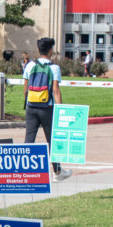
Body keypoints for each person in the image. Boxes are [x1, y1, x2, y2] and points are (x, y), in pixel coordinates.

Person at [22, 37, 70, 181]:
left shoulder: (29, 65)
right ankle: (57, 171)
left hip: (31, 106)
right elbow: (55, 90)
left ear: (38, 50)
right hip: (47, 108)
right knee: (52, 140)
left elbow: (25, 89)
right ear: (51, 50)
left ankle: (25, 170)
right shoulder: (54, 67)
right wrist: (60, 108)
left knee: (29, 138)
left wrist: (28, 102)